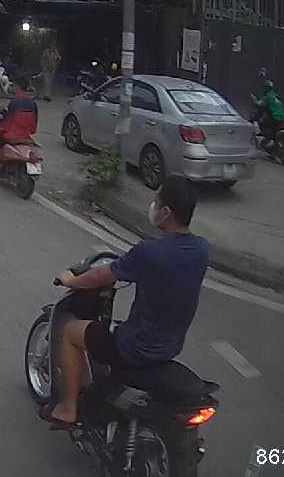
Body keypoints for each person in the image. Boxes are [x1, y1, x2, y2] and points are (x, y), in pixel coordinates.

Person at [43, 176, 208, 428]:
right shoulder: (201, 250)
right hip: (170, 346)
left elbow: (102, 276)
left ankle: (67, 409)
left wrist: (72, 280)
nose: (152, 205)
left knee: (70, 332)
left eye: (156, 201)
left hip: (134, 346)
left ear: (165, 212)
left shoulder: (149, 251)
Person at [0, 73, 39, 186]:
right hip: (25, 135)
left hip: (12, 134)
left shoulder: (14, 102)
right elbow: (34, 123)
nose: (12, 87)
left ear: (17, 86)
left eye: (13, 85)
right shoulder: (33, 103)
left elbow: (6, 119)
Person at [252, 79, 284, 153]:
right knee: (274, 131)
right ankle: (274, 147)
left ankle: (268, 139)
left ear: (265, 88)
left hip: (275, 117)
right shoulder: (275, 95)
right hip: (282, 117)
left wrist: (254, 100)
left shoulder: (267, 97)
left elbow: (259, 104)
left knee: (262, 124)